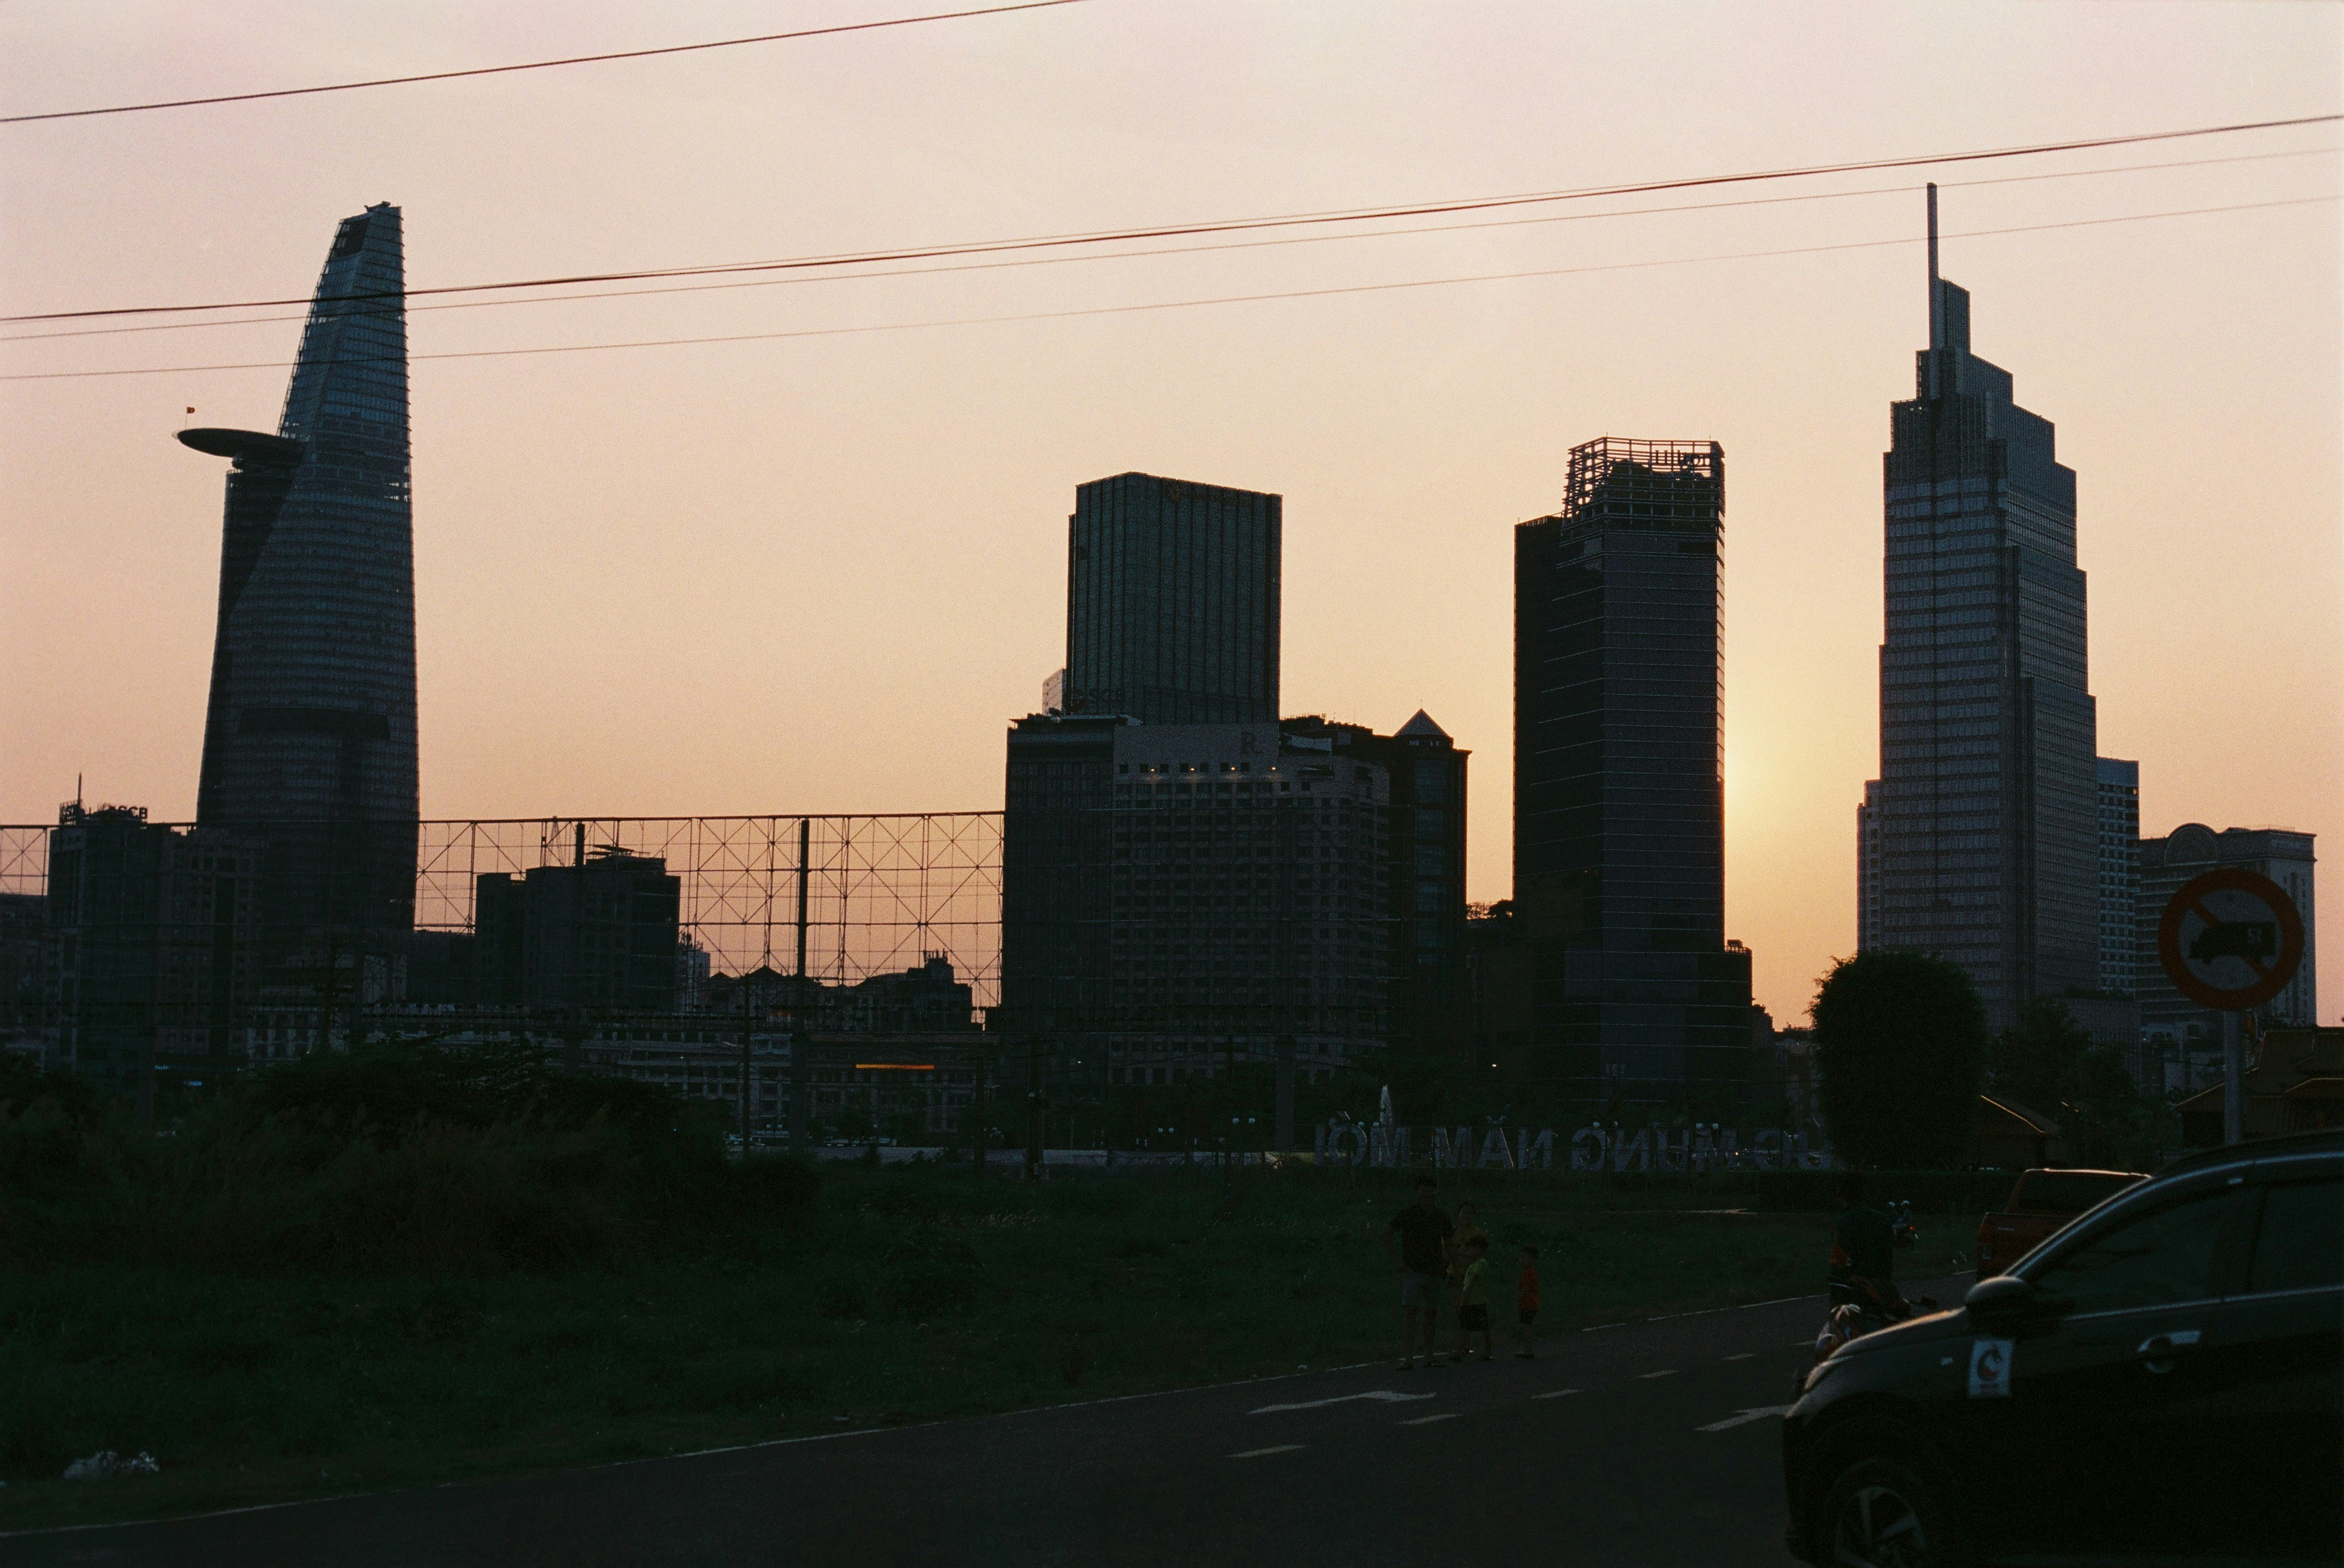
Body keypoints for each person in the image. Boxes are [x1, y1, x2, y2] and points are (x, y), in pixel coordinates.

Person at [1384, 1174, 1453, 1370]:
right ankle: (1408, 1357)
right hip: (1414, 1270)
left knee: (1431, 1314)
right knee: (1411, 1314)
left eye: (1430, 1190)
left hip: (1435, 1271)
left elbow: (1449, 1243)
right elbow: (1387, 1234)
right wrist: (1399, 1261)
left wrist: (1450, 1263)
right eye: (1424, 1190)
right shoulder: (1408, 1214)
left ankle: (1428, 1355)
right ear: (1418, 1193)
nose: (1428, 1194)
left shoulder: (1442, 1217)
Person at [1829, 1170, 1906, 1318]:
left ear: (1839, 1192)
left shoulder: (1844, 1223)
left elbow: (1839, 1267)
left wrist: (1835, 1302)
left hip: (1854, 1297)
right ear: (1864, 1192)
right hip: (1883, 1293)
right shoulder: (1881, 1220)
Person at [1445, 1199, 1487, 1362]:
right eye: (1463, 1212)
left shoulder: (1478, 1234)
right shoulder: (1452, 1233)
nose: (1466, 1216)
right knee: (1459, 1310)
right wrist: (1457, 1260)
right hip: (1454, 1274)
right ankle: (1463, 1345)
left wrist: (1459, 1255)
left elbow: (1477, 1256)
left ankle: (1463, 1347)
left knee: (1467, 1310)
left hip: (1470, 1275)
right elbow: (1445, 1252)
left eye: (1470, 1212)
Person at [1456, 1235, 1495, 1361]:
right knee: (1465, 1326)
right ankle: (1462, 1349)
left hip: (1477, 1302)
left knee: (1483, 1328)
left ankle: (1488, 1351)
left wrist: (1464, 1297)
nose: (1468, 1252)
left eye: (1470, 1249)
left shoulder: (1481, 1264)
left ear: (1478, 1249)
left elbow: (1472, 1283)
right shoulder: (1473, 1265)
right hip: (1471, 1303)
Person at [1514, 1243, 1541, 1359]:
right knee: (1526, 1326)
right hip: (1530, 1303)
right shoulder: (1530, 1272)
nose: (1521, 1260)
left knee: (1526, 1326)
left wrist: (1519, 1297)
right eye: (1521, 1258)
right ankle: (1526, 1349)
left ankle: (1528, 1350)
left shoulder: (1528, 1273)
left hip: (1528, 1303)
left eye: (1525, 1258)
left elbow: (1525, 1288)